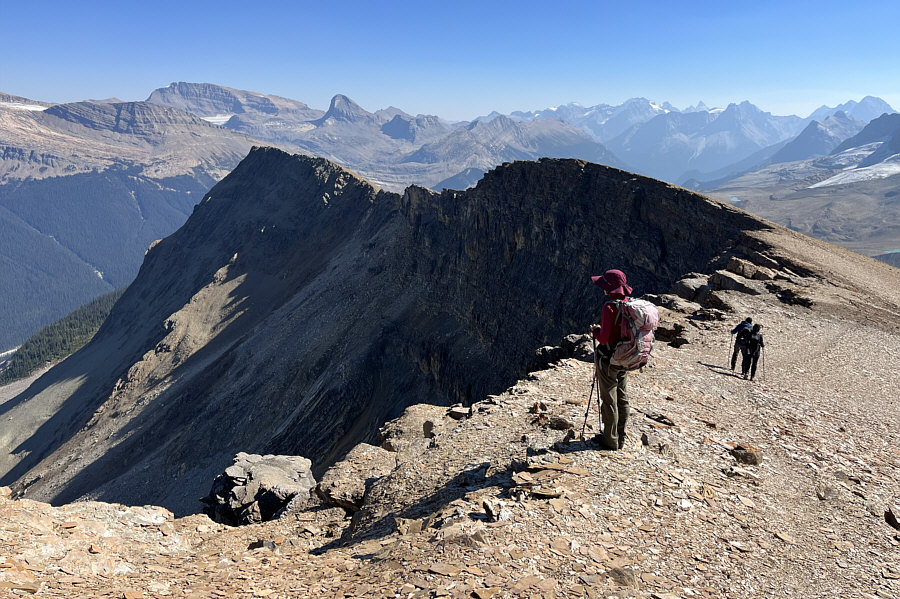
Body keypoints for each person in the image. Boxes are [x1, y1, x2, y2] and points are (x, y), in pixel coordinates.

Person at [589, 269, 632, 450]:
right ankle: (620, 437)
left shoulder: (609, 308)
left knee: (609, 400)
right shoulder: (629, 304)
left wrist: (595, 331)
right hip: (625, 357)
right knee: (622, 398)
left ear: (609, 288)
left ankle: (610, 440)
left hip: (608, 358)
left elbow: (604, 339)